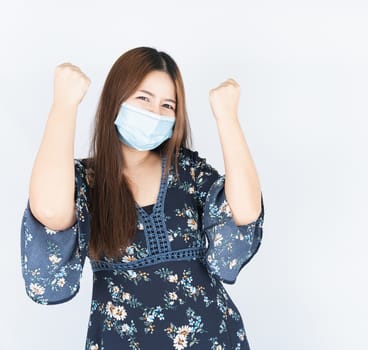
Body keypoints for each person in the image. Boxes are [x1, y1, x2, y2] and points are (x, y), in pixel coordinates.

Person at [19, 46, 265, 349]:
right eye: (144, 98)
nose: (154, 113)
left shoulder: (186, 170)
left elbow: (245, 212)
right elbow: (49, 212)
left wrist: (228, 119)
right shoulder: (87, 180)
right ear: (116, 99)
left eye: (167, 105)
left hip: (211, 337)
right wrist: (63, 107)